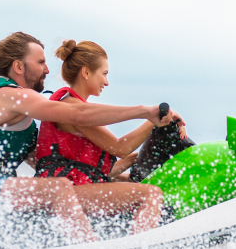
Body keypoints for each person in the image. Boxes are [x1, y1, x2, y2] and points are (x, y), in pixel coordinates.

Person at [0, 32, 184, 242]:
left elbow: (47, 163)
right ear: (18, 66)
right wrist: (145, 112)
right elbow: (78, 115)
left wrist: (124, 169)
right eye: (40, 63)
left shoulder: (24, 122)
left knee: (62, 184)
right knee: (59, 187)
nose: (48, 69)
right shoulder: (7, 94)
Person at [35, 39, 184, 233]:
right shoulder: (71, 108)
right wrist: (153, 121)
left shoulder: (75, 106)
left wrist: (140, 158)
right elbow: (120, 148)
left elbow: (97, 170)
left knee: (136, 184)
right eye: (104, 74)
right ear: (86, 72)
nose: (107, 81)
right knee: (150, 194)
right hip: (63, 192)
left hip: (75, 187)